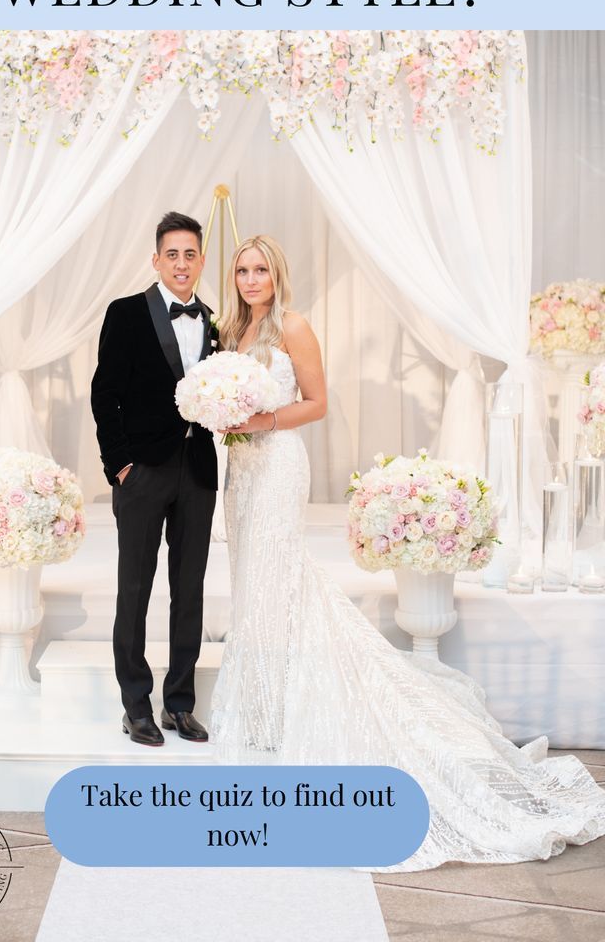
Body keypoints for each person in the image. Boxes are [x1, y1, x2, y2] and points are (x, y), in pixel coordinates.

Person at [210, 234, 605, 871]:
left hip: (278, 462)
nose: (252, 278)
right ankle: (264, 702)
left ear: (276, 274)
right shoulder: (230, 326)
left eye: (261, 269)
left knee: (281, 575)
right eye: (243, 269)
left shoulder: (294, 325)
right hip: (241, 469)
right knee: (251, 579)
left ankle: (284, 702)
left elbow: (316, 403)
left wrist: (261, 423)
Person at [91, 211, 218, 747]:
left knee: (189, 591)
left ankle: (179, 704)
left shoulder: (214, 322)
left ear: (201, 261)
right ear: (156, 259)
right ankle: (135, 706)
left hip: (199, 473)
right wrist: (120, 467)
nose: (182, 263)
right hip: (142, 473)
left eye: (190, 254)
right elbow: (104, 395)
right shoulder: (125, 313)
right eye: (173, 254)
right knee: (135, 590)